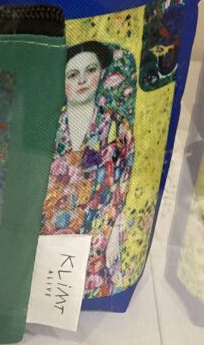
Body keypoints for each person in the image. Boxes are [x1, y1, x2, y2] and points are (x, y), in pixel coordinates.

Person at [43, 40, 135, 297]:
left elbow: (124, 186)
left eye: (90, 70)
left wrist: (115, 236)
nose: (82, 80)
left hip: (100, 242)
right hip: (51, 241)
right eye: (73, 74)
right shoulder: (49, 126)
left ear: (102, 73)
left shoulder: (118, 128)